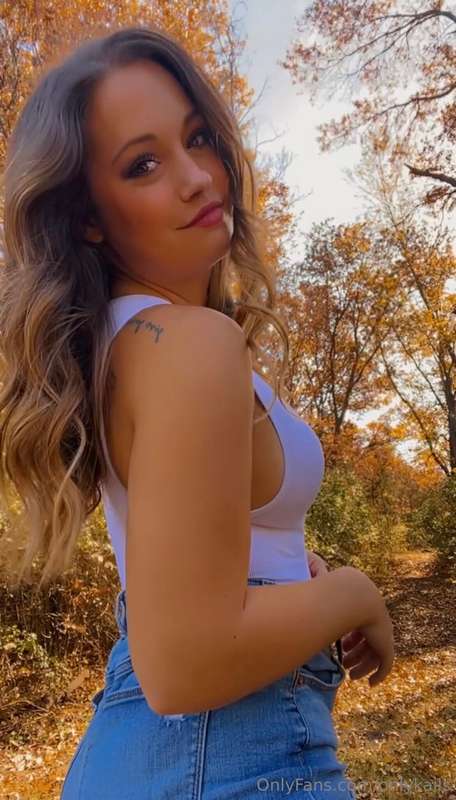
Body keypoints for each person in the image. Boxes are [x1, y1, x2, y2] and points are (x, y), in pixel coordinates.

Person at [0, 24, 394, 800]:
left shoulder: (124, 345)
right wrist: (352, 592)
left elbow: (198, 579)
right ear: (88, 215)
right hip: (230, 759)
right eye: (142, 164)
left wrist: (293, 579)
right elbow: (184, 663)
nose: (196, 178)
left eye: (198, 138)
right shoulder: (188, 342)